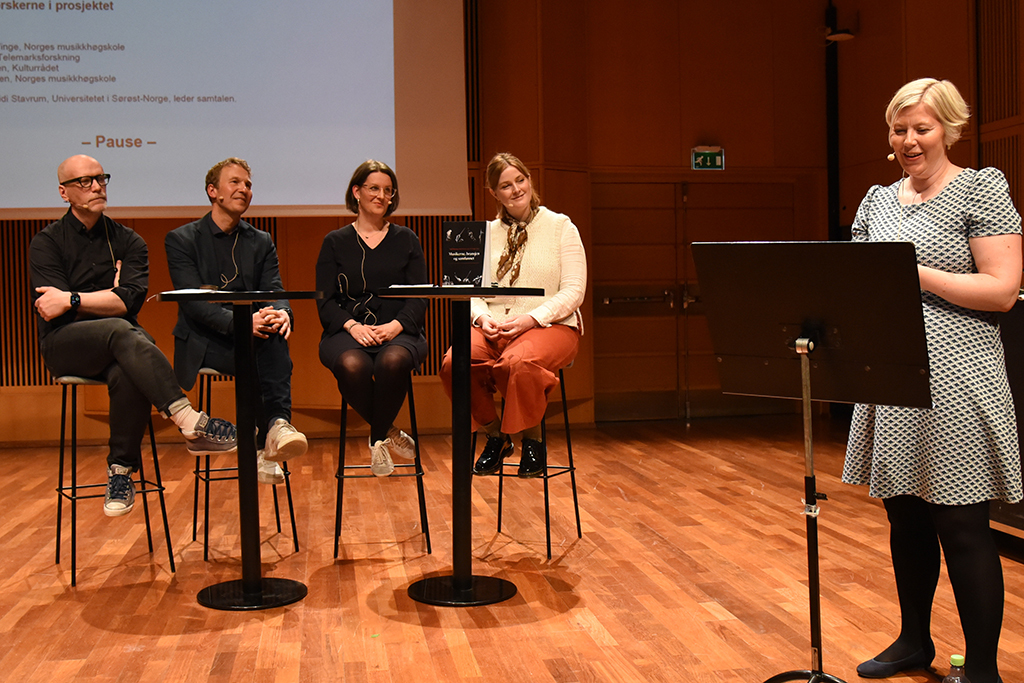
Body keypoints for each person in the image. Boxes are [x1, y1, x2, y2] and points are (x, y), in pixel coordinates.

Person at [843, 78, 1021, 683]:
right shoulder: (876, 200)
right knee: (905, 517)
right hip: (893, 372)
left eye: (923, 128)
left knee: (963, 523)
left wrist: (914, 274)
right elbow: (861, 282)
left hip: (961, 378)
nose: (910, 140)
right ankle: (914, 641)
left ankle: (984, 671)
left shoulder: (981, 186)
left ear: (948, 128)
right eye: (900, 129)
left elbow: (1001, 290)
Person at [30, 154, 238, 517]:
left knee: (130, 364)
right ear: (64, 193)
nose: (96, 186)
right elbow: (53, 308)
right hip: (64, 344)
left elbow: (128, 299)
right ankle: (187, 418)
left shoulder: (129, 241)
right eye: (84, 182)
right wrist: (99, 300)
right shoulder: (45, 243)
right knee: (123, 331)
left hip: (118, 343)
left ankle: (120, 472)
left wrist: (74, 298)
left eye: (100, 178)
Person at [440, 152, 586, 478]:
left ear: (530, 180)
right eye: (506, 185)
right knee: (454, 364)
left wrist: (531, 319)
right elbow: (469, 290)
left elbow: (574, 291)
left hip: (552, 324)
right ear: (493, 193)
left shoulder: (561, 227)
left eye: (520, 180)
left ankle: (533, 441)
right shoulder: (483, 235)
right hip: (495, 325)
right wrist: (480, 318)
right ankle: (495, 435)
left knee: (517, 364)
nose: (516, 189)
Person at [165, 158, 308, 485]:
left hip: (255, 334)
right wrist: (243, 323)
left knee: (271, 337)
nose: (244, 189)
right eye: (235, 182)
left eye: (248, 184)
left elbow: (275, 290)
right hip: (205, 342)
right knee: (259, 345)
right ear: (213, 191)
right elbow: (193, 305)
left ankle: (276, 428)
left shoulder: (261, 240)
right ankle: (269, 436)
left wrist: (282, 312)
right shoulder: (182, 239)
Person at [316, 159, 427, 477]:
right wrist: (352, 326)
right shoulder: (334, 242)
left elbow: (419, 296)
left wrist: (395, 326)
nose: (382, 196)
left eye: (388, 191)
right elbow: (325, 303)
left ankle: (376, 438)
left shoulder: (407, 239)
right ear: (357, 192)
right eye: (374, 188)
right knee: (354, 365)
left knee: (391, 362)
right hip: (346, 331)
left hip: (401, 329)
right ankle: (388, 432)